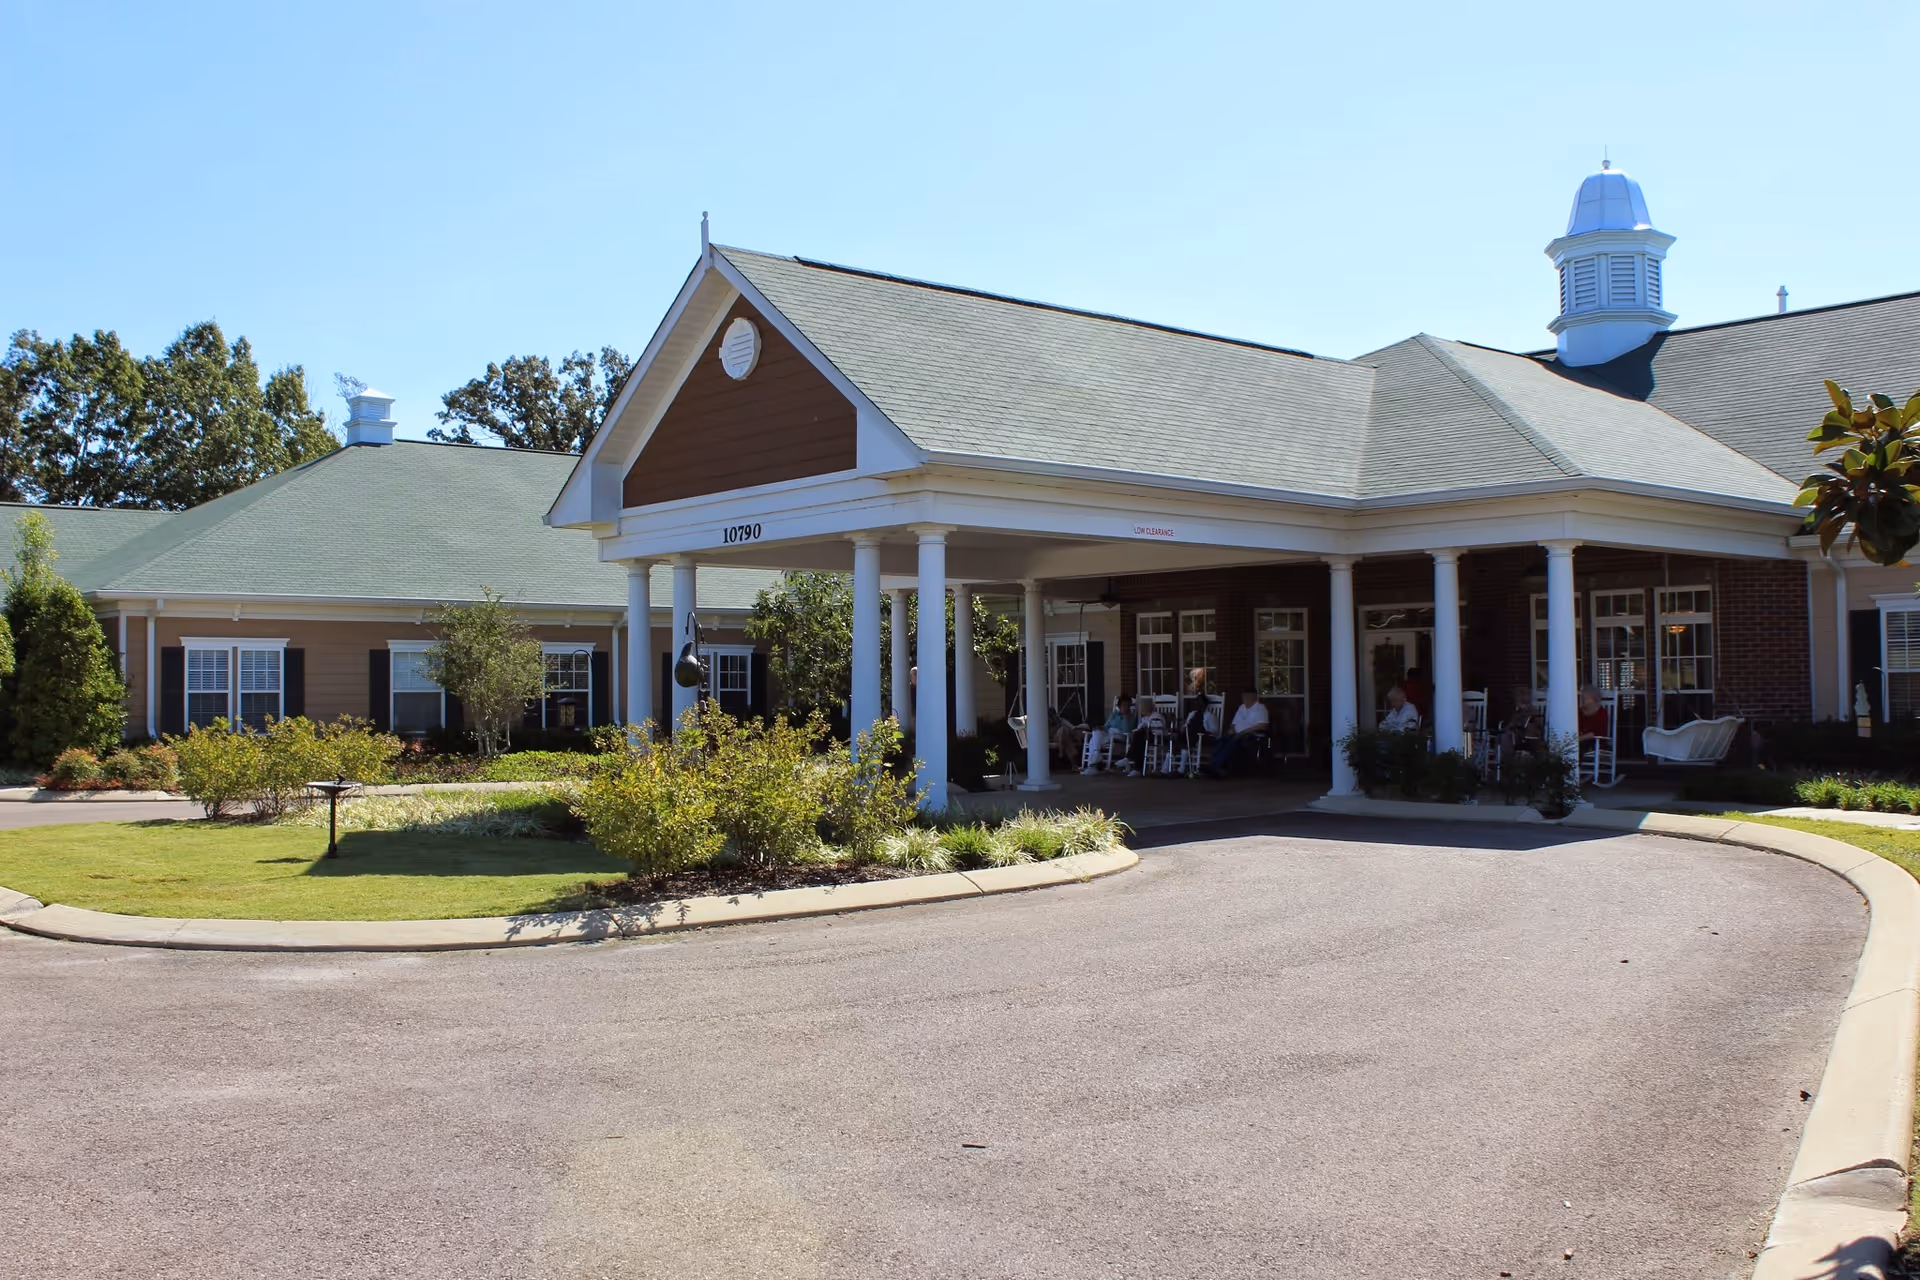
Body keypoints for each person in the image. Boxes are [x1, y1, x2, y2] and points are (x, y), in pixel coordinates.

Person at [1203, 689, 1270, 776]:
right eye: (1243, 696)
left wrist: (1243, 732)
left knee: (1232, 743)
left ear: (1253, 697)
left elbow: (1262, 726)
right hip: (1237, 734)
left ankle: (1216, 767)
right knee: (1221, 740)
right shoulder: (1241, 708)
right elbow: (1233, 724)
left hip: (1252, 735)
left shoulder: (1260, 708)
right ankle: (1213, 765)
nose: (1244, 698)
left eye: (1247, 696)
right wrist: (1232, 730)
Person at [1082, 695, 1137, 775]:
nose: (1126, 707)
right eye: (1124, 705)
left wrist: (1125, 718)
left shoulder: (1130, 717)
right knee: (1095, 732)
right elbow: (1106, 726)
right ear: (1119, 706)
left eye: (1128, 705)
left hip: (1120, 737)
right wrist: (1100, 728)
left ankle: (1093, 764)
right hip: (1109, 735)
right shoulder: (1114, 714)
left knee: (1093, 740)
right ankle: (1094, 762)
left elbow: (1127, 730)